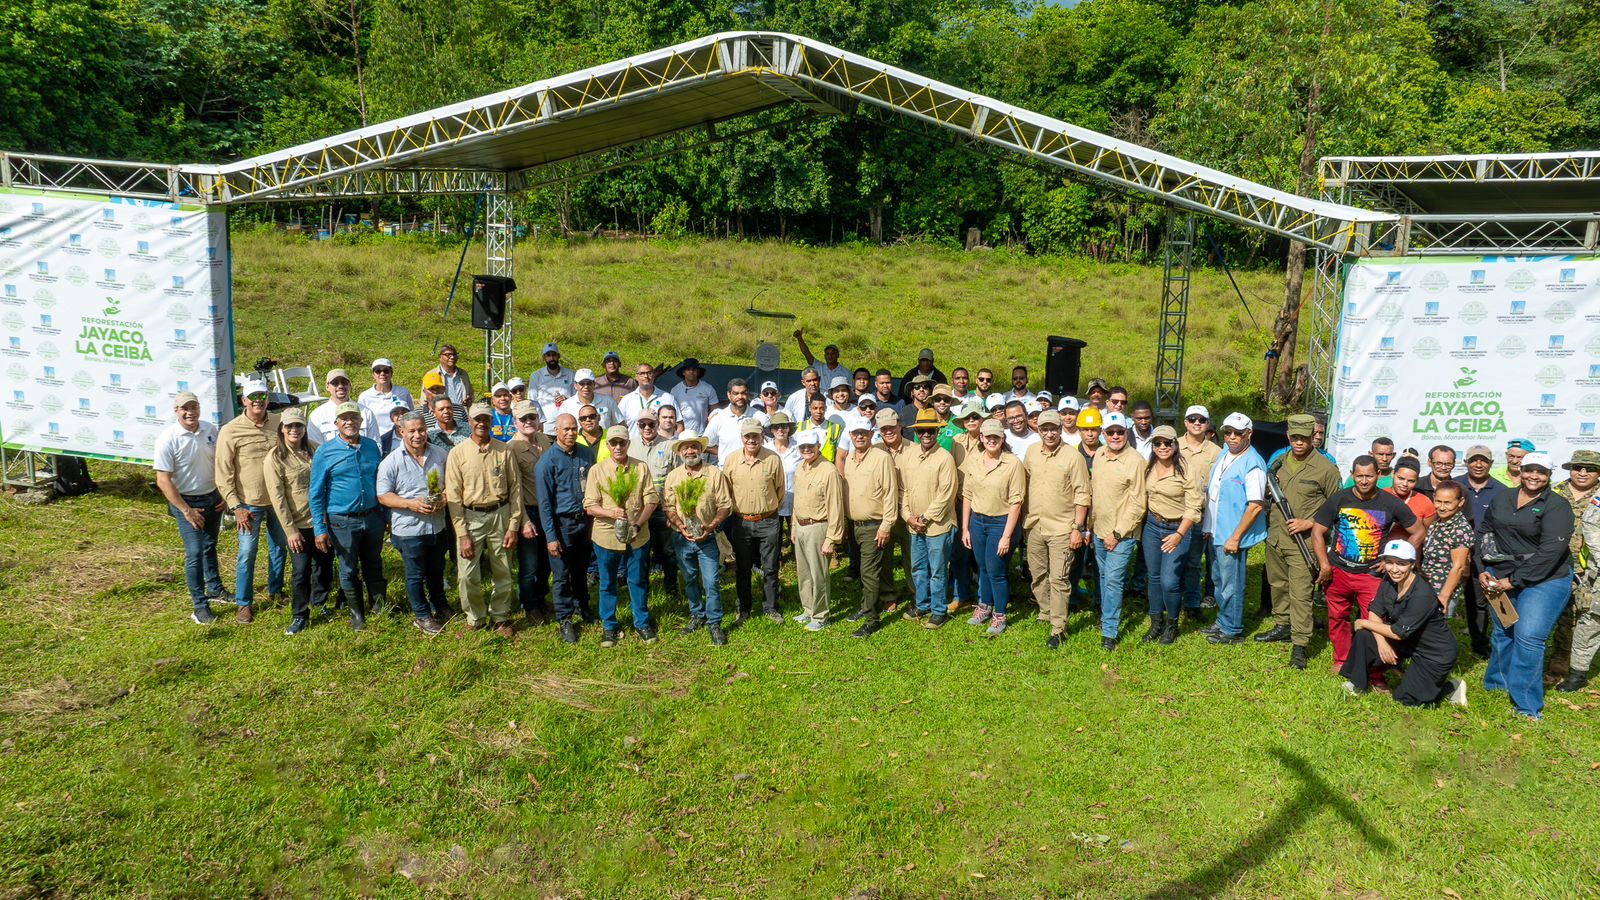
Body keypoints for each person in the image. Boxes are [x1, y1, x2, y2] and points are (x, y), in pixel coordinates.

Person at [1478, 452, 1574, 720]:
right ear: (1520, 470)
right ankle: (1497, 684)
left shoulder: (1557, 506)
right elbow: (1485, 532)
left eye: (1541, 472)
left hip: (1546, 579)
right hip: (1503, 574)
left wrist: (1513, 582)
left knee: (1529, 635)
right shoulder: (1503, 497)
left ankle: (1527, 705)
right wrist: (1484, 570)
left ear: (1549, 476)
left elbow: (1550, 553)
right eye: (1529, 470)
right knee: (1504, 629)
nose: (1534, 476)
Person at [1312, 455, 1423, 674]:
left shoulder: (1390, 503)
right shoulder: (1338, 499)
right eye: (1359, 476)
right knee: (1337, 617)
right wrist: (1324, 565)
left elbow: (1418, 531)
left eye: (1369, 476)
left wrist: (1395, 560)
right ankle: (1342, 658)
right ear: (1352, 475)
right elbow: (1318, 530)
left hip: (1371, 575)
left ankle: (1373, 671)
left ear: (1378, 475)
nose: (1364, 481)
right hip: (1338, 571)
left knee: (1374, 621)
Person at [1258, 414, 1342, 668]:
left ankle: (1300, 644)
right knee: (1278, 584)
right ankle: (1283, 624)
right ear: (1288, 436)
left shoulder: (1326, 469)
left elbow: (1335, 508)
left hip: (1304, 543)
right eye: (1294, 438)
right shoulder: (1279, 463)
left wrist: (1310, 522)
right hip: (1276, 537)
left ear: (1313, 437)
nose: (1299, 443)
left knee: (1301, 593)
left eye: (1304, 438)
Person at [1340, 540, 1466, 707]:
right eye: (1390, 562)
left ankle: (1450, 688)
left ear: (1412, 565)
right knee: (1364, 636)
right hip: (1407, 641)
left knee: (1405, 701)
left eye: (1401, 564)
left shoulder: (1422, 594)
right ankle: (1358, 684)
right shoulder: (1388, 580)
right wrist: (1381, 642)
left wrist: (1363, 622)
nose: (1394, 569)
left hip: (1434, 653)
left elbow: (1397, 632)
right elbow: (1375, 612)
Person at [445, 402, 522, 638]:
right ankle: (475, 617)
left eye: (486, 419)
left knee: (503, 570)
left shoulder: (504, 450)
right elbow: (454, 496)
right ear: (469, 422)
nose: (481, 423)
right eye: (477, 419)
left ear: (491, 422)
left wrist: (513, 526)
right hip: (471, 517)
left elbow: (516, 490)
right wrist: (462, 534)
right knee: (467, 573)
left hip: (500, 514)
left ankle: (500, 616)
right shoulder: (457, 453)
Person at [215, 375, 287, 621]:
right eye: (253, 397)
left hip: (279, 501)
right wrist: (236, 506)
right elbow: (223, 474)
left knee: (280, 547)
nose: (259, 401)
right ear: (243, 400)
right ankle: (244, 602)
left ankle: (276, 590)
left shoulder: (279, 422)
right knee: (247, 553)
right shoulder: (230, 430)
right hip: (248, 504)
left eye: (263, 396)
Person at [309, 401, 385, 631]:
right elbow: (315, 493)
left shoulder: (372, 447)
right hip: (342, 519)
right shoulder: (326, 451)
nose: (350, 422)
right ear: (336, 424)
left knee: (374, 562)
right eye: (344, 419)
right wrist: (320, 529)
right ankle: (357, 614)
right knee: (349, 567)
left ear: (361, 422)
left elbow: (381, 483)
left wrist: (385, 516)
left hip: (372, 516)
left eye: (354, 417)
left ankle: (379, 606)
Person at [583, 424, 660, 646]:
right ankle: (609, 626)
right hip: (606, 536)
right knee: (607, 582)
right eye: (613, 442)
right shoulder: (597, 470)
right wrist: (610, 512)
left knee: (638, 580)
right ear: (607, 445)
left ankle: (642, 623)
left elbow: (651, 499)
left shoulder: (641, 468)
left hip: (638, 536)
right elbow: (589, 506)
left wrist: (637, 524)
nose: (618, 446)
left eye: (622, 442)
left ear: (628, 444)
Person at [154, 390, 227, 624]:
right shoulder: (168, 438)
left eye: (193, 407)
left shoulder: (210, 430)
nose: (190, 412)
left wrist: (224, 493)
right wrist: (186, 510)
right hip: (186, 502)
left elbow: (222, 463)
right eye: (185, 408)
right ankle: (199, 605)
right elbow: (163, 480)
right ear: (176, 411)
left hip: (212, 498)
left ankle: (215, 589)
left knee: (209, 545)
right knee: (195, 552)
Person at [377, 410, 451, 635]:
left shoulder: (440, 454)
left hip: (437, 525)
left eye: (421, 430)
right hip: (410, 528)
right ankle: (422, 614)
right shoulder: (391, 461)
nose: (417, 435)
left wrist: (444, 499)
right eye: (412, 431)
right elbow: (383, 495)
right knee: (415, 574)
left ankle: (440, 604)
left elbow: (451, 484)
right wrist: (410, 504)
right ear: (401, 432)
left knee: (437, 570)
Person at [1024, 409, 1092, 649]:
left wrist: (1078, 528)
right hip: (1034, 525)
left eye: (1053, 428)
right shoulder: (1032, 453)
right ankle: (1046, 611)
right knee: (1038, 574)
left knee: (1059, 578)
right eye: (1045, 429)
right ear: (1038, 430)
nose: (1049, 433)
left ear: (1060, 429)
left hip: (1062, 527)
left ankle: (1058, 628)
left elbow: (1082, 495)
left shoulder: (1073, 458)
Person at [1202, 413, 1268, 645]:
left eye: (1237, 433)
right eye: (1227, 432)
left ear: (1249, 434)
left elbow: (1255, 506)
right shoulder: (1224, 452)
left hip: (1232, 534)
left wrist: (1236, 537)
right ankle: (1223, 620)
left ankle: (1232, 628)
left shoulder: (1254, 464)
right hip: (1217, 530)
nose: (1231, 437)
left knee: (1232, 583)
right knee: (1219, 579)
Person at [265, 407, 332, 634]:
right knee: (301, 569)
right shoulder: (275, 458)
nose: (294, 430)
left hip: (321, 521)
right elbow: (278, 497)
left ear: (304, 427)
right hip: (298, 524)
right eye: (289, 426)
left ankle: (320, 601)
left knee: (323, 565)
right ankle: (300, 614)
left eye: (298, 425)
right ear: (282, 429)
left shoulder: (315, 449)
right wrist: (290, 531)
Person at [662, 430, 733, 643]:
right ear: (680, 451)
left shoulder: (713, 474)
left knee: (711, 581)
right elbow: (668, 507)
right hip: (681, 538)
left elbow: (725, 505)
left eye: (694, 446)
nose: (690, 451)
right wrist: (679, 525)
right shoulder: (674, 476)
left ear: (701, 450)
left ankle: (714, 622)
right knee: (690, 578)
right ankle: (696, 614)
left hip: (708, 538)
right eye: (686, 447)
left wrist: (711, 526)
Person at [537, 413, 598, 644]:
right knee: (562, 575)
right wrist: (551, 538)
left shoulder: (586, 454)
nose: (571, 433)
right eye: (566, 429)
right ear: (557, 430)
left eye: (574, 428)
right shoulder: (547, 462)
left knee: (581, 570)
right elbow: (544, 504)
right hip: (562, 524)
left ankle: (583, 606)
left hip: (584, 522)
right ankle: (564, 618)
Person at [1089, 411, 1147, 650]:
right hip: (1099, 530)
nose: (1115, 436)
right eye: (1110, 432)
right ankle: (1106, 617)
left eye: (1119, 432)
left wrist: (1118, 533)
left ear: (1127, 433)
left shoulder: (1135, 461)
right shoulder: (1100, 455)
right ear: (1104, 434)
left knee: (1113, 580)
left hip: (1121, 535)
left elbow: (1138, 503)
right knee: (1103, 577)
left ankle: (1110, 632)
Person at [1142, 424, 1203, 646]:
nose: (1163, 447)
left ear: (1175, 444)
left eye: (1168, 442)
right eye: (1157, 443)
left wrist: (1179, 534)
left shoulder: (1187, 468)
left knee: (1169, 581)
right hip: (1152, 525)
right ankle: (1156, 621)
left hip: (1177, 527)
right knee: (1154, 576)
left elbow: (1194, 506)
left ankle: (1172, 623)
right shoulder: (1148, 465)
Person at [963, 419, 1025, 636]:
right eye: (987, 436)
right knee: (983, 568)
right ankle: (984, 606)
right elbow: (967, 495)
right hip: (978, 521)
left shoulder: (1013, 463)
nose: (991, 440)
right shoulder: (974, 460)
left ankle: (1000, 614)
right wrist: (965, 528)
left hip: (1001, 522)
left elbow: (1016, 501)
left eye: (996, 437)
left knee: (997, 571)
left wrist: (1007, 536)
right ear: (981, 438)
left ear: (1002, 438)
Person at [842, 418, 901, 638]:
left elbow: (890, 492)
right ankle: (867, 605)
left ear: (870, 433)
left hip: (874, 526)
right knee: (862, 571)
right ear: (850, 435)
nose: (859, 436)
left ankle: (871, 619)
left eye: (864, 433)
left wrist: (886, 525)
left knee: (869, 573)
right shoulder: (849, 459)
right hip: (854, 525)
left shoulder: (881, 458)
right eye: (856, 433)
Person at [900, 409, 959, 625]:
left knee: (937, 570)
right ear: (917, 433)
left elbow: (947, 495)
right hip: (914, 526)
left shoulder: (945, 458)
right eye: (922, 430)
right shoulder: (910, 456)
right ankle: (922, 605)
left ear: (937, 432)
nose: (926, 435)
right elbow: (904, 490)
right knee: (918, 568)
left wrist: (924, 518)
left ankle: (939, 610)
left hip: (938, 526)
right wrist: (908, 516)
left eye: (931, 431)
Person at [724, 418, 786, 625]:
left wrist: (767, 510)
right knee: (742, 568)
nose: (752, 440)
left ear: (762, 437)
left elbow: (780, 490)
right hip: (742, 522)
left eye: (756, 436)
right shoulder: (731, 460)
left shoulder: (773, 459)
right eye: (748, 436)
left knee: (770, 567)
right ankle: (744, 608)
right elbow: (727, 491)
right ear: (742, 438)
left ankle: (771, 607)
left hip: (768, 521)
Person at [1550, 450, 1600, 685]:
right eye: (1578, 467)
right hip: (1552, 563)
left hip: (1587, 568)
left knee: (1576, 614)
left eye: (1589, 468)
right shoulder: (1554, 492)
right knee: (1548, 611)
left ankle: (1563, 657)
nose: (1582, 472)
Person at [789, 428, 845, 632]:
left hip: (818, 527)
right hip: (801, 526)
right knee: (803, 573)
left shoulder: (828, 470)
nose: (806, 450)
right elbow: (797, 501)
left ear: (818, 446)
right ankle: (808, 609)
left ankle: (821, 615)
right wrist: (794, 526)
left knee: (818, 574)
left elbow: (835, 507)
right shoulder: (800, 468)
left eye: (810, 446)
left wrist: (831, 538)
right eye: (802, 447)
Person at [1453, 444, 1506, 657]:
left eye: (1483, 460)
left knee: (1480, 600)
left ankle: (1480, 645)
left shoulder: (1503, 491)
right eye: (1474, 460)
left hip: (1485, 555)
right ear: (1466, 462)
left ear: (1491, 464)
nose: (1478, 464)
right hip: (1454, 551)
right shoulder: (1454, 485)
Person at [507, 400, 551, 625]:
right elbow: (514, 489)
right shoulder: (512, 449)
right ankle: (529, 604)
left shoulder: (544, 440)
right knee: (529, 563)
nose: (528, 422)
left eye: (531, 418)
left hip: (548, 511)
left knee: (546, 561)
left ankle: (541, 597)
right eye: (523, 419)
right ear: (515, 423)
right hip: (529, 511)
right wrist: (523, 520)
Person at [629, 407, 679, 600]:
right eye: (643, 424)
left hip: (662, 508)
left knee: (668, 551)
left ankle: (672, 588)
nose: (647, 428)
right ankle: (643, 590)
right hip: (639, 510)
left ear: (658, 424)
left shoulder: (669, 446)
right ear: (638, 426)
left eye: (651, 424)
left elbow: (677, 479)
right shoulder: (630, 446)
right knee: (641, 552)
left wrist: (674, 509)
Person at [1178, 405, 1221, 621]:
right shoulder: (1172, 445)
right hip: (1175, 515)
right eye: (1192, 419)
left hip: (1201, 516)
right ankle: (1173, 599)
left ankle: (1193, 603)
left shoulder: (1216, 452)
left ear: (1207, 424)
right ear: (1185, 422)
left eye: (1201, 420)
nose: (1197, 423)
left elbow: (1218, 490)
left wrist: (1209, 523)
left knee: (1194, 562)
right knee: (1174, 560)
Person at [1421, 481, 1474, 617]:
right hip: (1428, 588)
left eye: (1447, 503)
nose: (1442, 507)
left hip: (1443, 591)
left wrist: (1443, 598)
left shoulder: (1460, 528)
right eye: (1438, 501)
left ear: (1460, 502)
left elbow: (1459, 567)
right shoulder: (1438, 523)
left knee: (1435, 634)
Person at [308, 369, 378, 444]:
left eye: (344, 382)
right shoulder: (317, 416)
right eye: (335, 383)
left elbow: (376, 444)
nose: (340, 386)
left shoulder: (366, 412)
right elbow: (314, 449)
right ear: (327, 387)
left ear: (350, 385)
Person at [704, 378, 757, 465]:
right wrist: (723, 452)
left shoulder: (760, 417)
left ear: (748, 394)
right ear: (729, 395)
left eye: (743, 393)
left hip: (752, 469)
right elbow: (705, 445)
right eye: (736, 393)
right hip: (726, 471)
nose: (740, 397)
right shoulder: (718, 418)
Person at [359, 358, 414, 440]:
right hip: (376, 440)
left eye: (386, 371)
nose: (382, 374)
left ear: (391, 373)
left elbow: (411, 415)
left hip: (401, 438)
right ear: (373, 375)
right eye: (378, 371)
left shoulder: (403, 392)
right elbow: (362, 423)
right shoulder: (365, 396)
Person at [529, 341, 575, 430]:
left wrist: (567, 400)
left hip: (567, 427)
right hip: (546, 428)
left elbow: (577, 398)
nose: (552, 358)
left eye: (554, 355)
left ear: (558, 356)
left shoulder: (571, 374)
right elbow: (532, 401)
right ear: (544, 358)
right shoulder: (536, 376)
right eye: (548, 355)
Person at [1386, 458, 1436, 540]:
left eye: (1411, 481)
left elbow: (1429, 535)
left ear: (1417, 481)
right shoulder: (1379, 495)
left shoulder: (1425, 502)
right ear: (1393, 474)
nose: (1405, 484)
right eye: (1401, 478)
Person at [618, 362, 666, 427]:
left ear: (654, 375)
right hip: (633, 437)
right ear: (636, 377)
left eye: (649, 373)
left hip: (660, 437)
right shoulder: (626, 400)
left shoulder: (667, 398)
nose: (646, 376)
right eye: (642, 374)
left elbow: (679, 425)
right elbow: (618, 425)